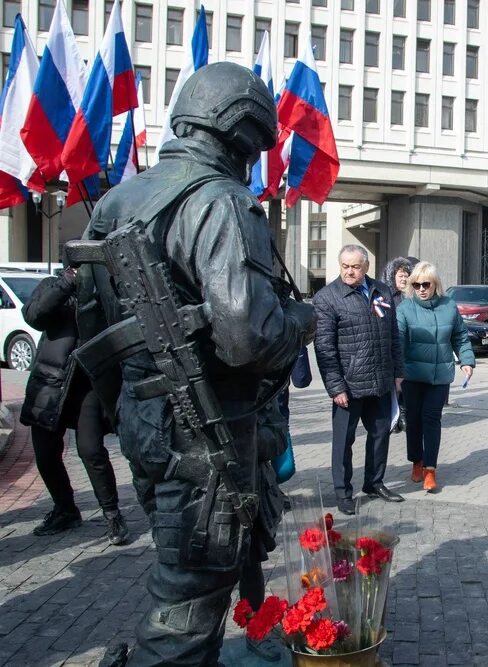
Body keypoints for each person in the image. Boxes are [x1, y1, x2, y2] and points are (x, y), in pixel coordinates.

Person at [79, 62, 313, 666]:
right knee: (186, 603)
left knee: (186, 567)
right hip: (210, 431)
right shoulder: (219, 202)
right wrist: (302, 323)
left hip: (149, 423)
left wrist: (129, 411)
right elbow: (249, 339)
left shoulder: (116, 201)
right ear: (240, 132)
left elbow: (91, 328)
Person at [19, 267, 128, 545]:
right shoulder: (52, 286)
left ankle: (112, 514)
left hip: (87, 387)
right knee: (45, 454)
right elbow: (34, 316)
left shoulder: (104, 292)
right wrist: (67, 283)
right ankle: (65, 509)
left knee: (91, 451)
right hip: (50, 382)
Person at [314, 244, 405, 515]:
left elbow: (393, 335)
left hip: (380, 380)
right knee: (344, 441)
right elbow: (324, 348)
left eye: (355, 266)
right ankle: (343, 493)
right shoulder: (327, 298)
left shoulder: (382, 291)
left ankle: (374, 482)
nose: (349, 272)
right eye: (345, 266)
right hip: (349, 386)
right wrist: (335, 387)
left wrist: (398, 372)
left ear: (366, 267)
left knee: (380, 434)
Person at [396, 262, 475, 492]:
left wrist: (467, 360)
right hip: (412, 376)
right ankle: (416, 461)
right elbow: (398, 341)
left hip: (439, 377)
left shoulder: (449, 306)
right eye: (416, 284)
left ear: (435, 284)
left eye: (426, 284)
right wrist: (396, 372)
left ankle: (430, 470)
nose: (421, 288)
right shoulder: (405, 309)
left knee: (432, 420)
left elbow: (460, 336)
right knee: (413, 421)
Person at [239, 393, 290, 662]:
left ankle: (256, 631)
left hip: (250, 487)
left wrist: (244, 439)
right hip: (199, 491)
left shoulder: (257, 382)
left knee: (249, 563)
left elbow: (279, 435)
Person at [383, 257, 413, 433]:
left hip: (408, 350)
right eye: (400, 276)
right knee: (394, 385)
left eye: (406, 276)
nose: (403, 279)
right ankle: (394, 416)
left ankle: (403, 414)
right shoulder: (385, 296)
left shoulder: (411, 296)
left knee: (406, 385)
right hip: (391, 348)